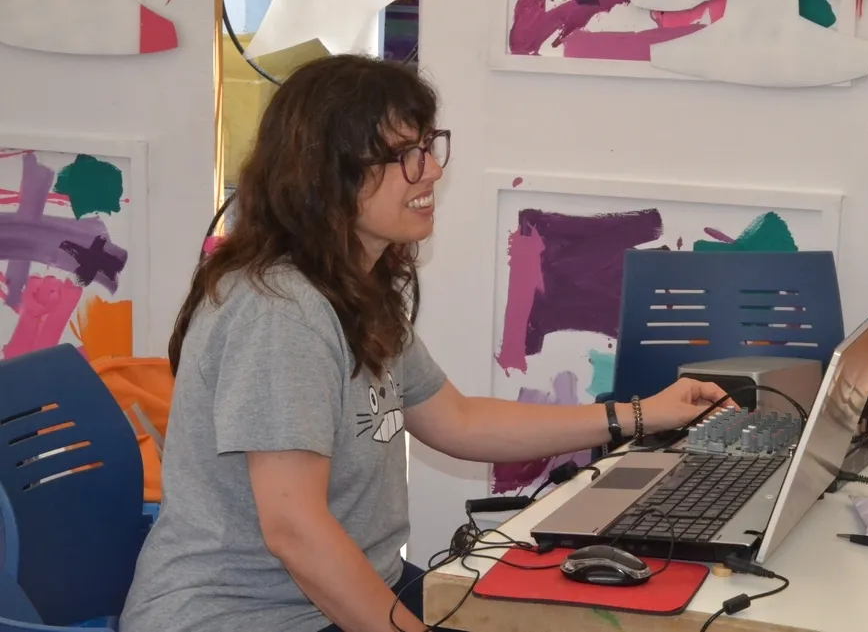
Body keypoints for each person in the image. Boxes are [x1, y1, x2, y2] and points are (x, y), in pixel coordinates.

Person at [119, 54, 730, 632]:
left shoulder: (355, 287)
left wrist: (641, 415)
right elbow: (294, 529)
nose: (432, 170)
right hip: (244, 617)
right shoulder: (281, 313)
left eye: (428, 146)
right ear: (326, 175)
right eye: (404, 155)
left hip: (347, 595)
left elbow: (458, 421)